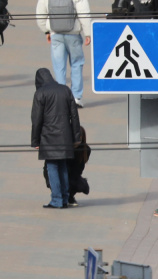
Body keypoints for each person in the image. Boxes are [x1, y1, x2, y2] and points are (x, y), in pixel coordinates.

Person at [31, 67, 82, 209]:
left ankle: (56, 199)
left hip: (48, 137)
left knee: (52, 166)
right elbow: (74, 115)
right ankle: (65, 198)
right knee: (63, 166)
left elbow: (36, 119)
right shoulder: (65, 90)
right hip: (65, 136)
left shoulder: (40, 93)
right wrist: (76, 136)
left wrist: (35, 140)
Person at [35, 0, 93, 107]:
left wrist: (46, 31)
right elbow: (84, 13)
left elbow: (40, 13)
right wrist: (88, 33)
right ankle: (76, 97)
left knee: (59, 66)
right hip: (73, 34)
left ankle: (61, 97)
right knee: (77, 64)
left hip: (55, 34)